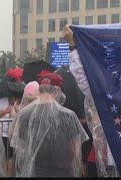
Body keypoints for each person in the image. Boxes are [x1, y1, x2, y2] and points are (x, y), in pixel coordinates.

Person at [63, 25, 119, 177]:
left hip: (110, 154)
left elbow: (82, 78)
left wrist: (73, 46)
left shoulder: (106, 89)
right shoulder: (107, 89)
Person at [9, 73, 89, 177]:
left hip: (34, 171)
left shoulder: (24, 114)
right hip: (62, 171)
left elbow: (20, 146)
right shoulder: (68, 115)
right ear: (57, 91)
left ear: (40, 90)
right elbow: (74, 149)